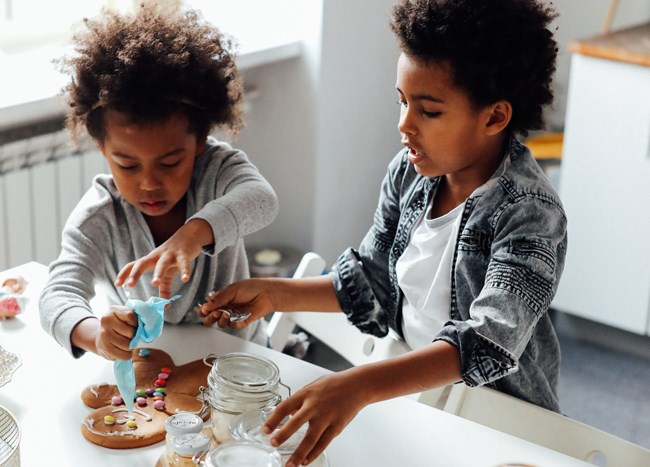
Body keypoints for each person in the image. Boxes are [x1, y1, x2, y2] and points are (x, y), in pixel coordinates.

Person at [199, 0, 566, 465]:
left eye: (428, 111)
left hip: (500, 428)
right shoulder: (408, 174)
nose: (403, 125)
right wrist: (274, 294)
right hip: (421, 407)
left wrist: (360, 383)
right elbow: (371, 280)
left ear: (494, 117)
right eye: (402, 101)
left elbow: (486, 342)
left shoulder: (530, 212)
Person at [39, 4, 279, 361]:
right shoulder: (99, 217)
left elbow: (262, 199)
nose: (149, 183)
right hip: (148, 376)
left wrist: (194, 233)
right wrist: (95, 336)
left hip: (238, 364)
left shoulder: (217, 170)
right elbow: (56, 294)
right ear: (103, 149)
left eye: (169, 163)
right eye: (128, 165)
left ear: (199, 143)